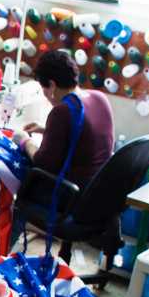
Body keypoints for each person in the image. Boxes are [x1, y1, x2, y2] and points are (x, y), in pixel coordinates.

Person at [10, 49, 114, 195]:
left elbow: (42, 163)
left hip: (70, 193)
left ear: (52, 85)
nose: (45, 95)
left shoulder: (62, 112)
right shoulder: (99, 97)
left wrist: (24, 140)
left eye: (43, 88)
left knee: (14, 178)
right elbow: (86, 137)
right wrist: (46, 130)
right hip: (98, 190)